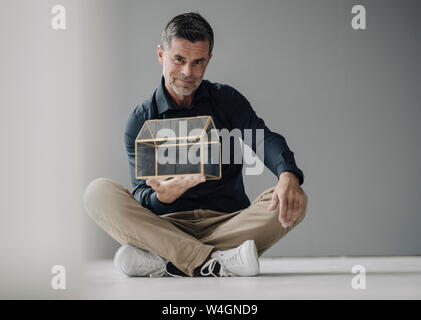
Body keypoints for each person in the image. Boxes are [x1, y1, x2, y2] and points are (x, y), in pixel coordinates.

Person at [83, 12, 308, 278]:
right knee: (97, 193)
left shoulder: (226, 99)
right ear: (160, 55)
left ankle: (166, 260)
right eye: (179, 60)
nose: (188, 73)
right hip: (167, 226)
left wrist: (287, 174)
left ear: (208, 60)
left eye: (198, 62)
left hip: (228, 222)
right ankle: (216, 260)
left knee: (295, 199)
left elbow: (262, 137)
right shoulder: (141, 119)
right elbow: (143, 195)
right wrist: (161, 197)